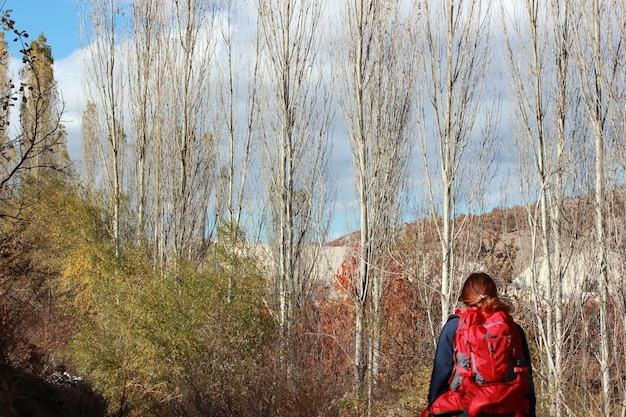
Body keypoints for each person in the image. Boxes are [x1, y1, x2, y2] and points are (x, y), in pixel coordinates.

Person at [421, 272, 536, 417]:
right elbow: (526, 379)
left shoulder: (454, 327)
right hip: (509, 410)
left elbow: (440, 379)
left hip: (466, 410)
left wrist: (434, 407)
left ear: (465, 298)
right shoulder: (513, 329)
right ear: (494, 295)